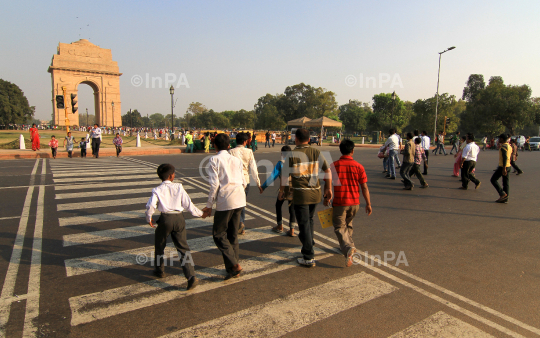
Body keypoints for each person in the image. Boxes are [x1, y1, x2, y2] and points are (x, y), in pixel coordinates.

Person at [145, 163, 202, 290]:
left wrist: (149, 218)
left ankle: (160, 270)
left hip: (165, 219)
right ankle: (191, 276)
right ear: (171, 176)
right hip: (179, 218)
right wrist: (201, 214)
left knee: (160, 245)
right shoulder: (179, 187)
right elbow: (188, 204)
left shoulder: (157, 190)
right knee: (183, 248)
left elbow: (151, 206)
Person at [282, 128, 332, 267]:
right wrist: (328, 188)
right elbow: (328, 170)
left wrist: (283, 192)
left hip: (301, 194)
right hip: (315, 193)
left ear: (296, 139)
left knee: (303, 224)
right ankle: (310, 242)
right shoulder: (316, 152)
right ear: (309, 139)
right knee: (309, 220)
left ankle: (308, 256)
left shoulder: (292, 154)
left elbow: (285, 177)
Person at [202, 133, 246, 280]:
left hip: (226, 199)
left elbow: (214, 184)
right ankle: (233, 268)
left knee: (219, 234)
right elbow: (244, 181)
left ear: (215, 145)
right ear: (229, 146)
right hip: (239, 197)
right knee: (233, 234)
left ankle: (234, 264)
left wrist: (209, 205)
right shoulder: (236, 160)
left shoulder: (214, 159)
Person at [330, 140, 371, 267]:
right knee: (348, 224)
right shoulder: (359, 166)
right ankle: (346, 246)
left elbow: (328, 185)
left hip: (340, 202)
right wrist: (368, 203)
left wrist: (327, 197)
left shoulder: (334, 165)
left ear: (340, 150)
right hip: (355, 203)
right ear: (352, 151)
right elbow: (364, 187)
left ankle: (348, 247)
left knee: (339, 226)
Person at [229, 132, 262, 235]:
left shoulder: (230, 152)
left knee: (233, 204)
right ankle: (242, 225)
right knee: (242, 204)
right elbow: (253, 168)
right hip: (246, 181)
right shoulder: (249, 151)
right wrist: (258, 184)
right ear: (245, 141)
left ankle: (235, 225)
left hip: (234, 181)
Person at [260, 145, 297, 236]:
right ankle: (292, 230)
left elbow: (273, 176)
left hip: (284, 188)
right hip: (295, 187)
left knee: (278, 205)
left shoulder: (281, 163)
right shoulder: (295, 162)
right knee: (292, 208)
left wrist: (263, 186)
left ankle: (280, 226)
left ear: (282, 154)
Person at [491, 134, 512, 203]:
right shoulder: (509, 146)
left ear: (502, 139)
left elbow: (505, 157)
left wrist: (504, 168)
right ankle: (506, 198)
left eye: (499, 139)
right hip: (508, 165)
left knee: (493, 179)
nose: (498, 140)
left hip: (503, 166)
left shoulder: (503, 147)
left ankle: (502, 193)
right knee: (506, 183)